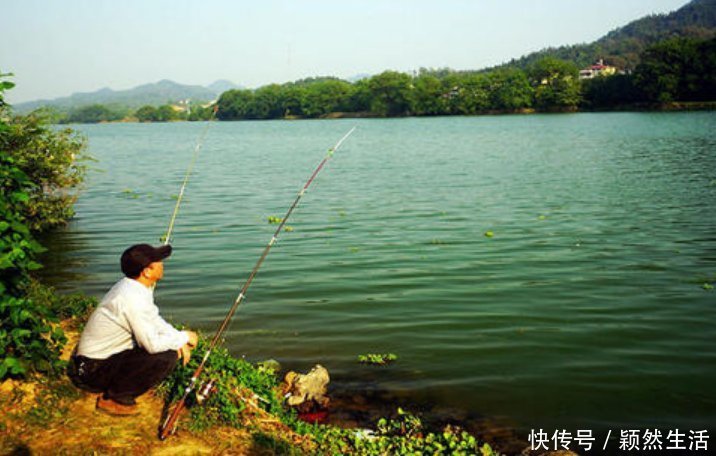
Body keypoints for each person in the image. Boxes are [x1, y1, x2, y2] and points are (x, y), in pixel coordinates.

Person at [68, 243, 198, 416]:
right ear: (147, 272)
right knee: (166, 357)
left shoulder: (132, 287)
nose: (162, 264)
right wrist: (182, 339)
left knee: (166, 348)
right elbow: (151, 345)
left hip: (96, 362)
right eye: (158, 261)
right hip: (90, 372)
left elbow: (154, 320)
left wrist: (179, 337)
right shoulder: (132, 298)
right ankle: (115, 398)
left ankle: (118, 389)